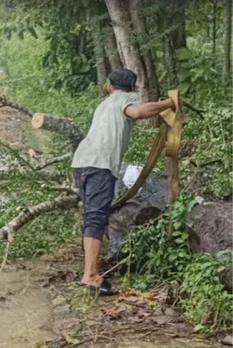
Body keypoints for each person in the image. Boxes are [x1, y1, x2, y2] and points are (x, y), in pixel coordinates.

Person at [71, 68, 177, 295]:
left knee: (92, 214)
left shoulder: (104, 104)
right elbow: (137, 113)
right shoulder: (125, 98)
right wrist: (169, 103)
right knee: (96, 217)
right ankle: (90, 275)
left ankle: (92, 268)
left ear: (109, 86)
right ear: (134, 88)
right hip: (100, 165)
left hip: (81, 162)